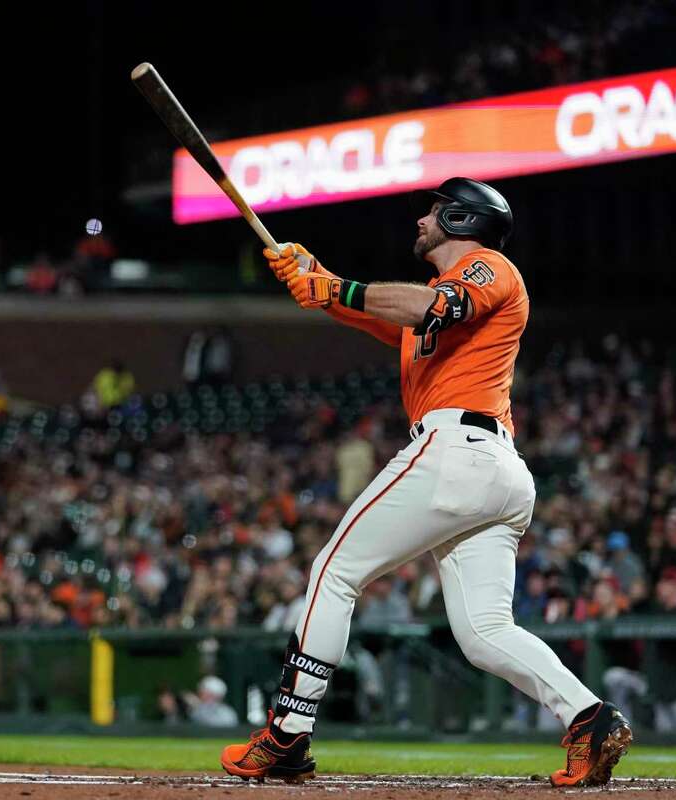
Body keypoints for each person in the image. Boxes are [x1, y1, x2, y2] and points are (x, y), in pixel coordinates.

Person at [220, 178, 630, 787]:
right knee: (485, 632)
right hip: (492, 470)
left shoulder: (491, 268)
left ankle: (287, 733)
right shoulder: (436, 302)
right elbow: (388, 316)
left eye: (435, 212)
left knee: (334, 571)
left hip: (458, 451)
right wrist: (316, 279)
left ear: (463, 219)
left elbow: (429, 308)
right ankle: (590, 719)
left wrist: (334, 285)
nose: (421, 220)